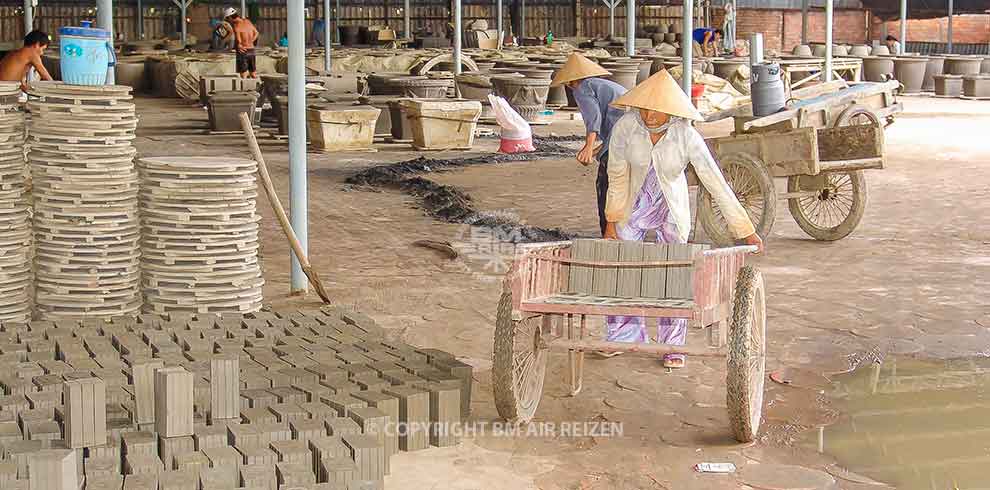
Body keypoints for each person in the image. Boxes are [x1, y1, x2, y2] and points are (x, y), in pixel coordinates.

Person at [604, 70, 763, 368]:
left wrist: (744, 230)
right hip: (633, 204)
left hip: (671, 210)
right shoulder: (625, 127)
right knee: (623, 268)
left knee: (673, 276)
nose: (650, 115)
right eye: (645, 108)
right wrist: (611, 220)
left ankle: (672, 345)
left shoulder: (686, 135)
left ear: (672, 111)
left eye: (658, 110)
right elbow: (617, 175)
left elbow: (714, 180)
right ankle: (624, 335)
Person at [550, 53, 627, 237]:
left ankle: (609, 232)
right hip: (625, 132)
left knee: (606, 184)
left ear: (570, 82)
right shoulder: (598, 85)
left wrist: (587, 146)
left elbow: (594, 118)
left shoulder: (582, 89)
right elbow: (612, 131)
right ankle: (621, 231)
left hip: (624, 134)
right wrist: (596, 149)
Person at [224, 7, 259, 78]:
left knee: (244, 75)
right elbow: (257, 33)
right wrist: (250, 42)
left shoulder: (236, 26)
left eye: (227, 19)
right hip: (252, 50)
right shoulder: (248, 21)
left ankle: (245, 89)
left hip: (243, 52)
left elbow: (239, 42)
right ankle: (257, 87)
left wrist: (238, 46)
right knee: (253, 74)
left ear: (230, 17)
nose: (228, 21)